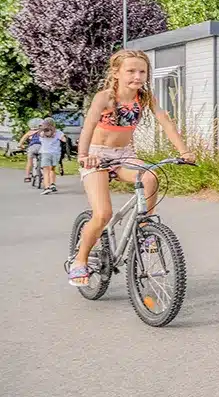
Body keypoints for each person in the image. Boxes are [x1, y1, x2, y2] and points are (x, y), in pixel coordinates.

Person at [67, 49, 194, 287]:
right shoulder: (104, 97)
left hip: (124, 155)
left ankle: (145, 225)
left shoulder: (145, 98)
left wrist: (184, 151)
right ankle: (80, 260)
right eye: (131, 71)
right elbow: (88, 126)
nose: (137, 76)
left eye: (142, 71)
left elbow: (165, 122)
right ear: (116, 73)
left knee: (151, 175)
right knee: (103, 214)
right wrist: (84, 156)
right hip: (97, 155)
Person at [35, 117, 67, 194]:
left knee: (46, 171)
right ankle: (52, 184)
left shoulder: (41, 132)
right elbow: (64, 140)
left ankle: (47, 187)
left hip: (45, 152)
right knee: (52, 169)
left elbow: (39, 138)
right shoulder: (58, 132)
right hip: (56, 153)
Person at [18, 117, 43, 183]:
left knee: (29, 161)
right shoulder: (43, 132)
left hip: (33, 147)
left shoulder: (30, 132)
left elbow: (22, 140)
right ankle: (44, 173)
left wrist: (21, 145)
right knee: (45, 159)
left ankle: (27, 176)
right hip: (42, 147)